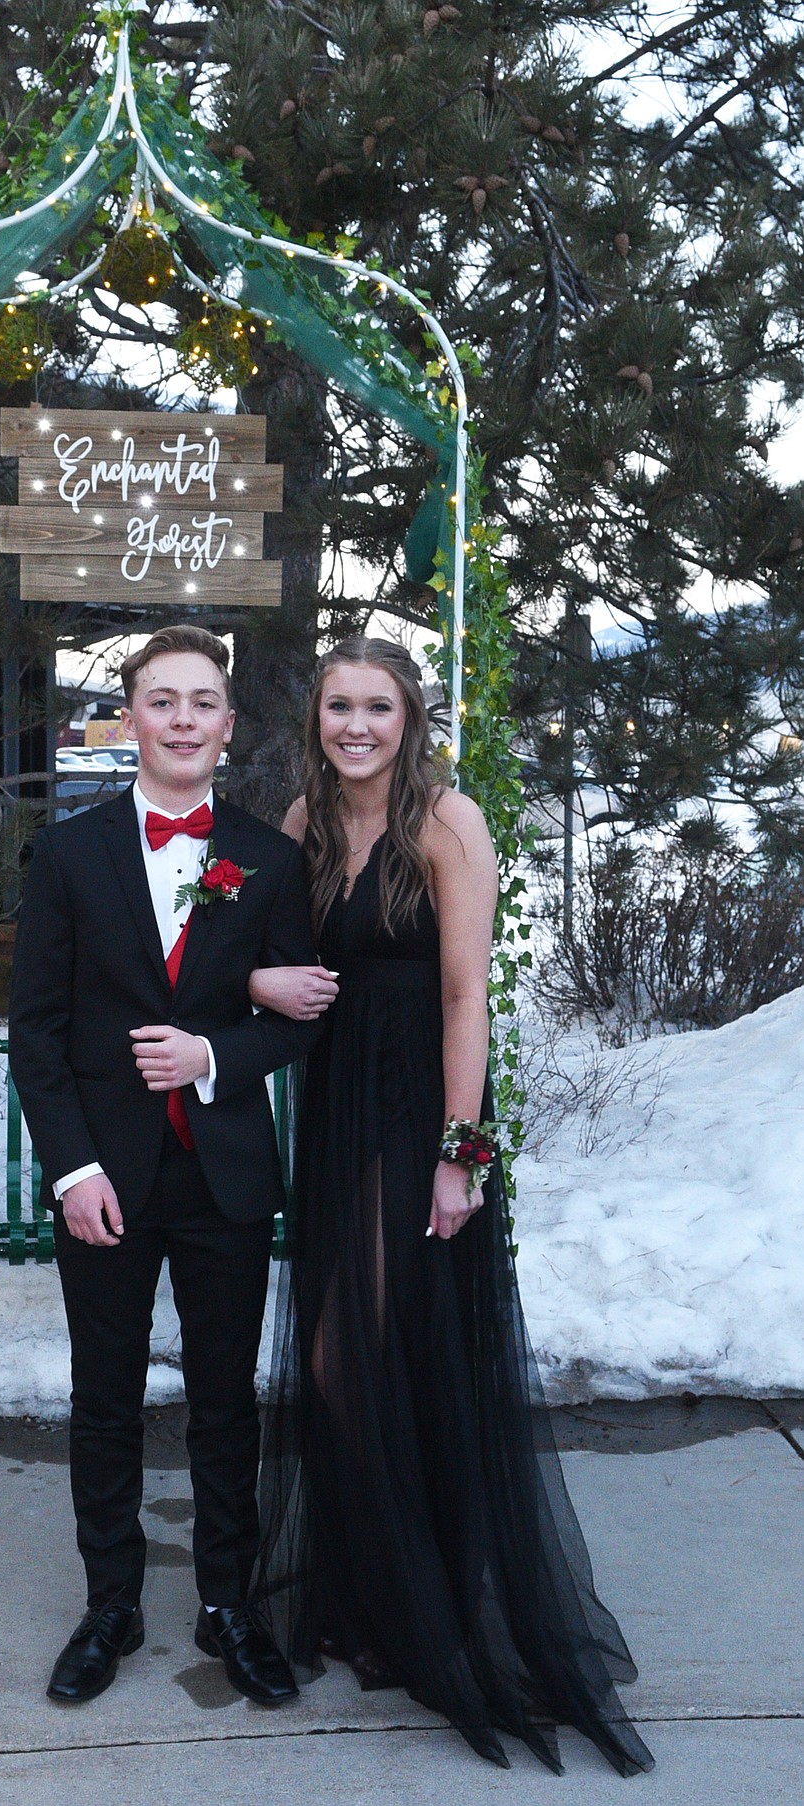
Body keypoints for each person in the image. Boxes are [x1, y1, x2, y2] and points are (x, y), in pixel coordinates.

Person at [248, 637, 654, 1777]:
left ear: (409, 716)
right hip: (333, 1115)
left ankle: (420, 1605)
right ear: (316, 716)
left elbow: (468, 993)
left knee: (356, 1355)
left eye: (378, 706)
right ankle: (373, 1596)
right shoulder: (304, 823)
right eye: (340, 706)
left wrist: (460, 1153)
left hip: (417, 1111)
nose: (357, 726)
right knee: (363, 1356)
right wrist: (249, 983)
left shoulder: (445, 819)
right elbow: (264, 956)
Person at [9, 624, 321, 1709]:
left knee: (227, 1401)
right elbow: (38, 1037)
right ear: (130, 717)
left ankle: (228, 1605)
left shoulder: (270, 859)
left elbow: (299, 1018)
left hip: (225, 1174)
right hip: (106, 1180)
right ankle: (111, 1606)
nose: (183, 719)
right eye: (162, 701)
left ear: (229, 728)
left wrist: (214, 1055)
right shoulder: (69, 854)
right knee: (105, 1399)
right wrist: (72, 1170)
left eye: (203, 703)